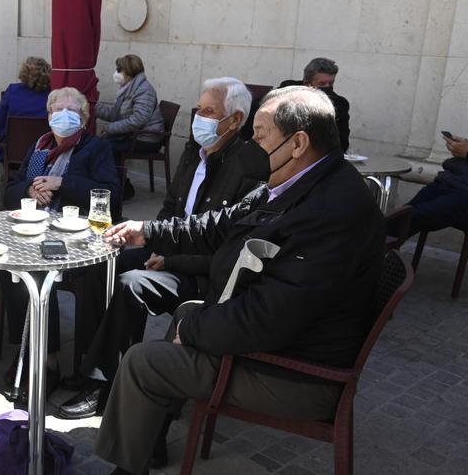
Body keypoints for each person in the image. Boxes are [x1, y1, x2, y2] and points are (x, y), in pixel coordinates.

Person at [94, 86, 385, 475]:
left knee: (143, 361)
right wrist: (148, 231)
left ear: (297, 142)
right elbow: (220, 224)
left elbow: (271, 318)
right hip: (276, 343)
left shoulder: (334, 210)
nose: (251, 141)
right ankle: (149, 439)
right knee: (183, 315)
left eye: (261, 133)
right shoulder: (300, 182)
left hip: (293, 373)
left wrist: (193, 329)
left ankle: (129, 467)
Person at [57, 77, 270, 421]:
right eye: (198, 108)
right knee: (98, 264)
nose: (199, 116)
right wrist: (155, 242)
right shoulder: (194, 151)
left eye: (209, 110)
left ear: (236, 119)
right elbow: (170, 208)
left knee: (131, 286)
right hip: (167, 248)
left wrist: (170, 256)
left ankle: (102, 383)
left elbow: (227, 242)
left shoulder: (250, 166)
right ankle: (90, 362)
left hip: (201, 270)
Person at [1, 86, 121, 394]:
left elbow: (111, 195)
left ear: (83, 118)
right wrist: (29, 189)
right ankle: (29, 348)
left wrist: (62, 183)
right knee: (13, 268)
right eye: (57, 110)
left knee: (39, 272)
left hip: (75, 236)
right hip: (33, 229)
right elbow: (10, 191)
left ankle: (48, 362)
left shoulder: (96, 148)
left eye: (72, 111)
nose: (63, 116)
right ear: (49, 116)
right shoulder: (39, 146)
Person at [96, 54, 165, 199]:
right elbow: (116, 113)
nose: (116, 73)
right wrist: (93, 107)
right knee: (101, 145)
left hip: (147, 139)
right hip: (134, 135)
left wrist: (110, 128)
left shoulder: (144, 90)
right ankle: (116, 185)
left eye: (119, 70)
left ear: (128, 72)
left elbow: (138, 120)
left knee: (107, 147)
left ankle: (122, 188)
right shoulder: (128, 87)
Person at [397, 132, 468, 236]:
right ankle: (380, 240)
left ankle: (374, 241)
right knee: (406, 212)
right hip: (454, 182)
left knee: (415, 215)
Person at [280, 57, 351, 152]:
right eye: (322, 84)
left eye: (331, 83)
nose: (327, 87)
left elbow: (342, 143)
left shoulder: (339, 104)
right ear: (307, 84)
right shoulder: (288, 92)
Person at [0, 56, 51, 143]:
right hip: (42, 152)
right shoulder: (52, 95)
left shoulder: (13, 91)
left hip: (10, 151)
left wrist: (5, 139)